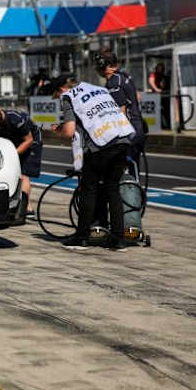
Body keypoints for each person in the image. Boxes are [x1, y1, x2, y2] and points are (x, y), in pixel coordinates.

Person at [53, 78, 135, 250]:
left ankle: (81, 236)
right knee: (112, 188)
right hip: (123, 138)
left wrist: (58, 129)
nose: (58, 97)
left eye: (56, 94)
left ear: (62, 89)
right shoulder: (99, 89)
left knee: (88, 189)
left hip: (101, 143)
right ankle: (118, 238)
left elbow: (69, 131)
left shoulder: (69, 96)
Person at [0, 101, 42, 218]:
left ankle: (26, 208)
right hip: (17, 140)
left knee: (23, 174)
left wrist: (13, 154)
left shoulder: (14, 119)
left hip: (32, 141)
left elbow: (28, 140)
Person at [96, 49, 146, 177]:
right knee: (133, 170)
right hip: (137, 126)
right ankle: (136, 195)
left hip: (129, 131)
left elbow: (121, 112)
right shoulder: (124, 75)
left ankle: (132, 196)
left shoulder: (114, 83)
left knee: (122, 173)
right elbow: (137, 97)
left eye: (98, 65)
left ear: (105, 66)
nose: (96, 69)